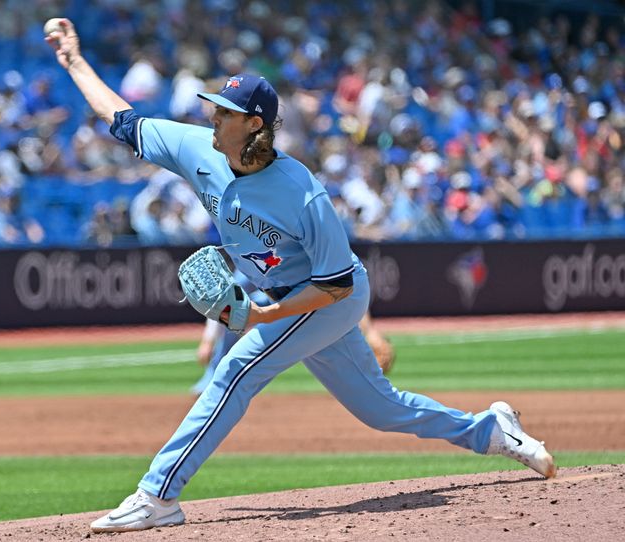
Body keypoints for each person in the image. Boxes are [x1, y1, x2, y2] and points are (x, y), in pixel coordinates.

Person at [47, 20, 556, 534]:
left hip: (329, 298)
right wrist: (73, 61)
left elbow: (335, 282)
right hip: (292, 296)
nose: (212, 117)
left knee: (237, 371)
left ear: (253, 126)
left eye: (224, 112)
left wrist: (265, 314)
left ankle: (158, 495)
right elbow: (123, 120)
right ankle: (490, 429)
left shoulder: (301, 191)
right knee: (381, 409)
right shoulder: (198, 148)